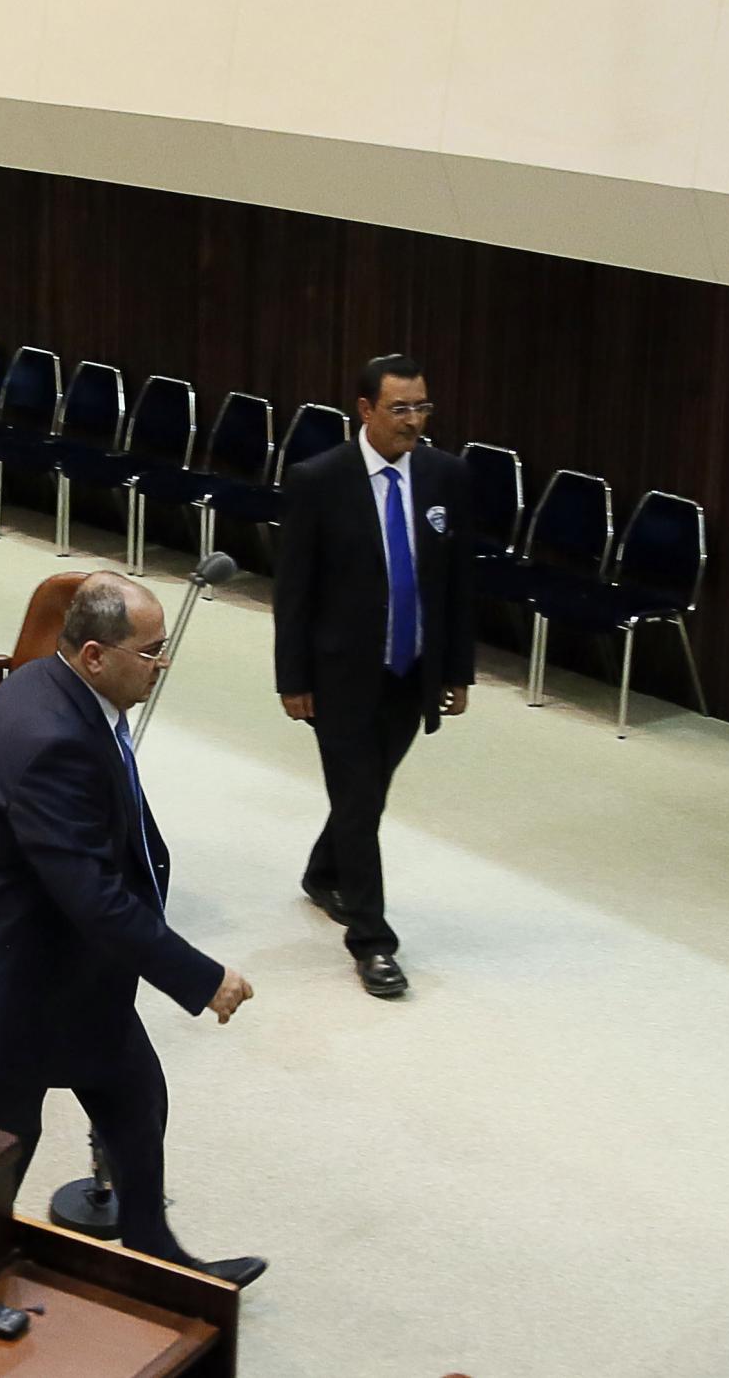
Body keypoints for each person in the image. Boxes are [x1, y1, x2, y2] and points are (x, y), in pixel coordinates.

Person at [0, 573, 263, 1283]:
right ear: (96, 654)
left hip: (68, 974)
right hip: (11, 986)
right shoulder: (51, 738)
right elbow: (94, 897)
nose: (161, 665)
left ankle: (151, 1254)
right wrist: (202, 978)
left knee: (135, 1096)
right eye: (151, 652)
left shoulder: (51, 683)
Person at [273, 353, 475, 999]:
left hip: (410, 670)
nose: (413, 422)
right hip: (338, 678)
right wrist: (292, 677)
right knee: (360, 801)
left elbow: (457, 583)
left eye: (422, 407)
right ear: (364, 410)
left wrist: (456, 668)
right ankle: (372, 942)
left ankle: (323, 870)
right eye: (400, 409)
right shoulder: (319, 480)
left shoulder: (446, 476)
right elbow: (294, 591)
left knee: (369, 791)